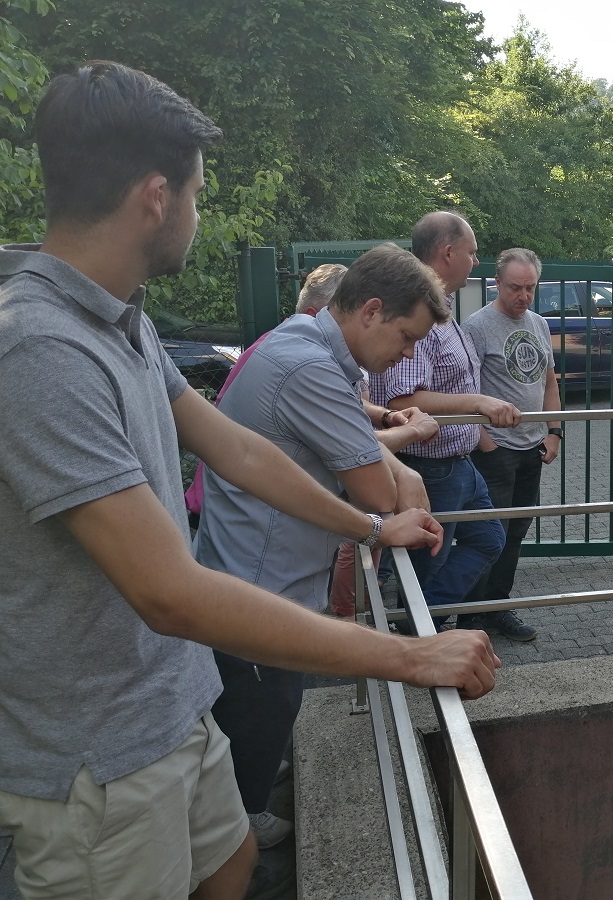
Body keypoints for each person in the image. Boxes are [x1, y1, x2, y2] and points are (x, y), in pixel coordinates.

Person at [0, 61, 498, 900]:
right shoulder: (41, 348)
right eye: (197, 193)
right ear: (155, 196)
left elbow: (240, 451)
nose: (200, 213)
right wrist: (408, 656)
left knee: (230, 866)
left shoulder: (119, 318)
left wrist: (371, 532)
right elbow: (170, 592)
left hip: (169, 701)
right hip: (100, 758)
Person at [192, 243, 447, 854]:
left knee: (258, 722)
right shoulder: (309, 366)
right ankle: (238, 842)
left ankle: (242, 819)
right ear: (371, 312)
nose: (407, 355)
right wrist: (396, 486)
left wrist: (392, 467)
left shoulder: (302, 342)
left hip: (255, 577)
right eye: (406, 337)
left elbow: (362, 449)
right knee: (258, 723)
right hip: (260, 594)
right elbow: (376, 491)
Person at [369, 211, 514, 620]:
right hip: (431, 467)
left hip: (459, 464)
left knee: (488, 539)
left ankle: (425, 622)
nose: (476, 261)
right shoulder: (416, 313)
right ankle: (420, 635)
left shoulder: (441, 310)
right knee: (426, 561)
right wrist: (476, 403)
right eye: (471, 252)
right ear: (448, 253)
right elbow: (401, 401)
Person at [459, 248, 562, 641]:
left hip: (531, 449)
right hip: (496, 450)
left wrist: (554, 432)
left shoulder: (537, 323)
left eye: (530, 288)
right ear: (497, 283)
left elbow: (548, 382)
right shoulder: (477, 327)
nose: (523, 296)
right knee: (488, 535)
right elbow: (465, 391)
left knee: (516, 531)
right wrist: (485, 443)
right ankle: (470, 616)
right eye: (516, 287)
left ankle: (498, 608)